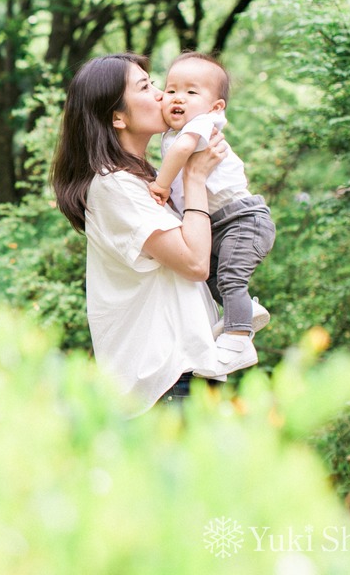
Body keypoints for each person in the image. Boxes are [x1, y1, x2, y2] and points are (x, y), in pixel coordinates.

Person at [50, 53, 256, 415]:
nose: (163, 95)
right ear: (117, 117)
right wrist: (194, 178)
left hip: (184, 370)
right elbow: (194, 262)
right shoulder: (114, 186)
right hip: (163, 379)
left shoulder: (145, 176)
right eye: (147, 87)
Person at [148, 52, 275, 357]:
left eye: (191, 92)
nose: (178, 98)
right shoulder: (174, 132)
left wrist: (160, 185)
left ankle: (238, 338)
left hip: (242, 219)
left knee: (230, 276)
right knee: (211, 278)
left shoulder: (202, 125)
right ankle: (246, 311)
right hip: (218, 223)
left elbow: (183, 151)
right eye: (171, 89)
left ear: (216, 106)